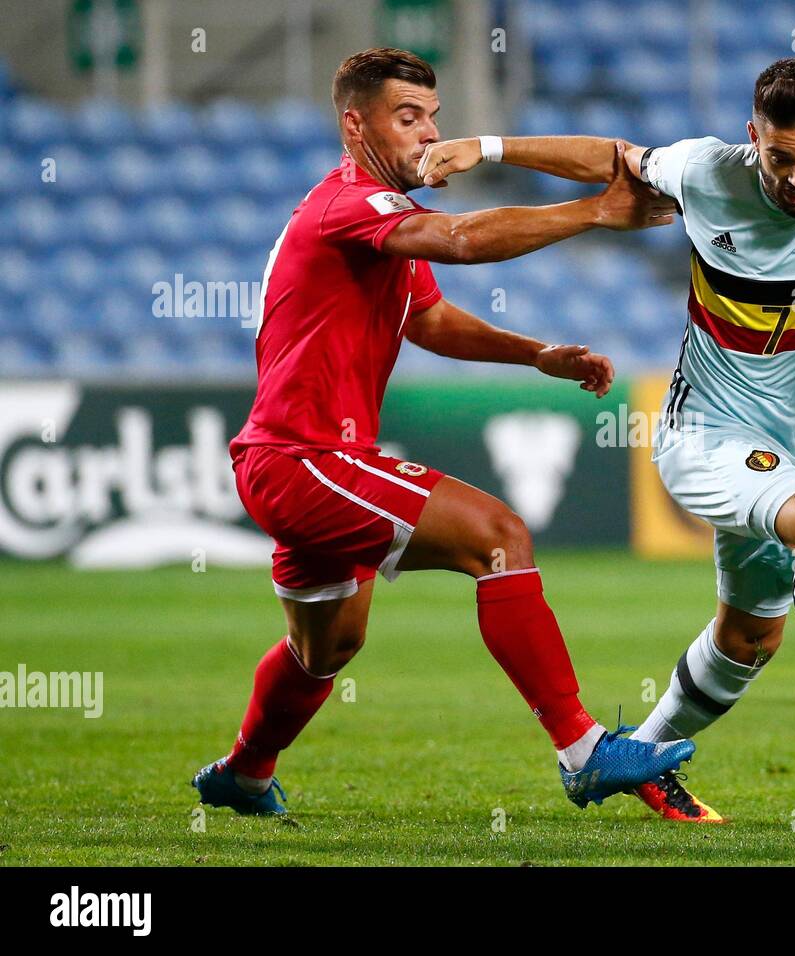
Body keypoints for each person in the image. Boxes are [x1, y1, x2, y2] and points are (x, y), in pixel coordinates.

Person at [419, 57, 795, 822]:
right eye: (779, 157)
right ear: (751, 137)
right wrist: (487, 147)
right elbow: (613, 158)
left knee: (749, 638)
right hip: (701, 436)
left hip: (793, 449)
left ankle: (634, 762)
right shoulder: (704, 171)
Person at [192, 47, 693, 816]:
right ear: (355, 125)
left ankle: (244, 772)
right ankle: (583, 749)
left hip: (300, 463)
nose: (428, 135)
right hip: (304, 460)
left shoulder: (380, 217)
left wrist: (537, 355)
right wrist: (594, 211)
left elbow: (428, 318)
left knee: (327, 647)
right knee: (499, 535)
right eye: (406, 118)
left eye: (432, 116)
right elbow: (460, 240)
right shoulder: (347, 204)